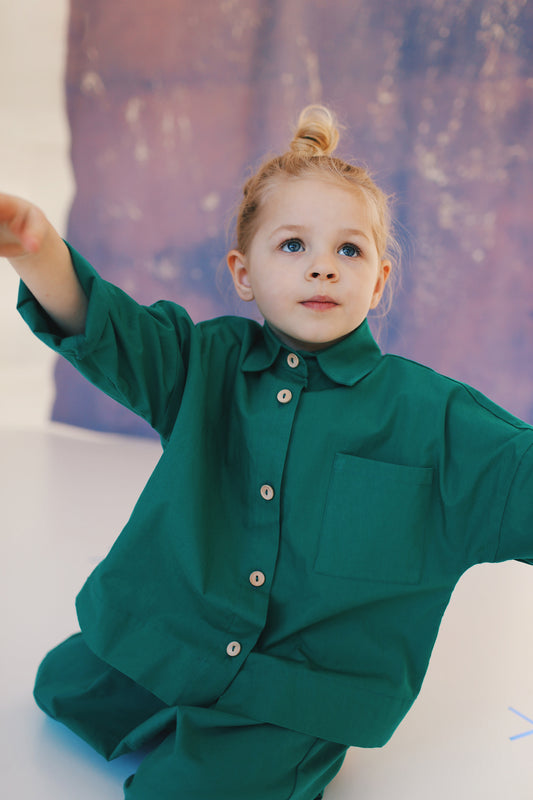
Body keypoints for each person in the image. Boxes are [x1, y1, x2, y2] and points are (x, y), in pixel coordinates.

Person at [2, 105, 533, 799]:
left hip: (299, 691)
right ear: (242, 271)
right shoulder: (205, 361)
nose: (322, 268)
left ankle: (285, 753)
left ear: (376, 283)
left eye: (349, 250)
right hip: (175, 634)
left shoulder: (432, 416)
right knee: (60, 690)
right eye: (292, 246)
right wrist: (34, 247)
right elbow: (111, 330)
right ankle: (172, 694)